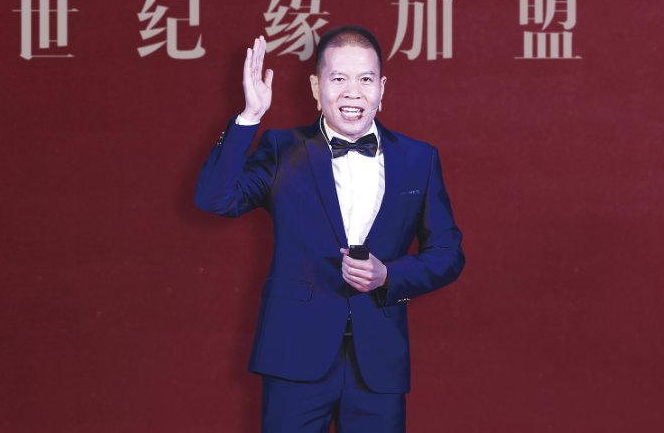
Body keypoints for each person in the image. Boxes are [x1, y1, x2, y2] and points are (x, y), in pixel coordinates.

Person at [195, 25, 465, 432]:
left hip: (379, 363)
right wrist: (249, 117)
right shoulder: (281, 148)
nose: (353, 92)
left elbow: (448, 253)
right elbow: (216, 199)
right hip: (293, 353)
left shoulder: (419, 159)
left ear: (382, 89)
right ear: (316, 87)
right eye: (338, 79)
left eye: (366, 80)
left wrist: (389, 275)